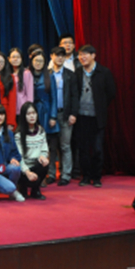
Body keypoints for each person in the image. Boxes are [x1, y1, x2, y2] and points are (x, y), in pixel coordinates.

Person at [74, 45, 116, 187]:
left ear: (93, 55)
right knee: (83, 149)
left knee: (97, 149)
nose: (82, 57)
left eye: (85, 54)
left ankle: (96, 177)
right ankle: (86, 176)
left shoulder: (104, 72)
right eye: (80, 55)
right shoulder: (78, 72)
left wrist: (100, 106)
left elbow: (111, 92)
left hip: (98, 117)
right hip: (81, 117)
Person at [47, 46, 79, 186]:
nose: (60, 58)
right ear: (51, 56)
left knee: (65, 146)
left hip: (65, 114)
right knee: (51, 147)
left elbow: (75, 96)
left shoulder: (70, 75)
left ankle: (66, 175)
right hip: (50, 116)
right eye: (57, 55)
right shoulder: (46, 74)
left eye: (62, 55)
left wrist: (73, 114)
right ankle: (51, 174)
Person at [0, 105, 26, 202]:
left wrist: (13, 158)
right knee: (11, 187)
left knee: (16, 168)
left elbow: (16, 153)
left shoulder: (9, 133)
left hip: (5, 167)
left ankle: (8, 189)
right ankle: (10, 191)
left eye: (2, 114)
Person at [28, 50, 59, 186]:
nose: (38, 63)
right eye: (36, 61)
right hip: (32, 112)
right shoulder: (27, 75)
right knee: (32, 143)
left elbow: (54, 98)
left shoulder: (49, 76)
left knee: (47, 145)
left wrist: (53, 116)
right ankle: (33, 173)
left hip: (46, 112)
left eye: (41, 61)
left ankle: (47, 174)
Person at [15, 102, 48, 200]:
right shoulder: (18, 134)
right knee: (17, 169)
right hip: (24, 169)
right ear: (23, 116)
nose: (32, 116)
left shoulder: (41, 131)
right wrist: (27, 172)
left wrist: (43, 156)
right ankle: (22, 187)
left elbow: (44, 149)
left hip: (36, 165)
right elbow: (19, 157)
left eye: (34, 113)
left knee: (45, 164)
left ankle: (35, 190)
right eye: (28, 114)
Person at [0, 52, 17, 130]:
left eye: (1, 62)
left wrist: (11, 122)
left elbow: (12, 101)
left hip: (5, 112)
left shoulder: (10, 78)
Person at [9, 48, 34, 123]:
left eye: (18, 57)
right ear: (9, 59)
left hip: (22, 110)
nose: (15, 59)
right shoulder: (7, 74)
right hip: (10, 110)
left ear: (22, 59)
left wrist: (28, 110)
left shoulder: (26, 73)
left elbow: (30, 94)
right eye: (13, 57)